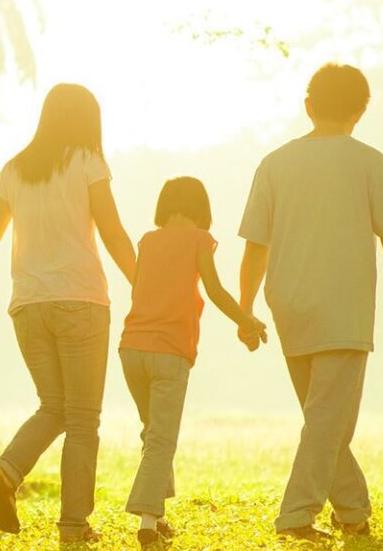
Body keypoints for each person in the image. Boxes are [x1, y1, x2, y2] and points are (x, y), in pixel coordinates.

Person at [0, 83, 138, 543]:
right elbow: (113, 230)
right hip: (80, 301)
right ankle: (74, 527)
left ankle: (5, 472)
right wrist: (145, 285)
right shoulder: (87, 161)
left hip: (27, 306)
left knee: (53, 408)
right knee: (81, 420)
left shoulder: (14, 169)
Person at [237, 63, 383, 541]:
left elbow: (255, 246)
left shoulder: (274, 164)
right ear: (361, 112)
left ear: (308, 107)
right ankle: (296, 517)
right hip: (343, 306)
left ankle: (352, 511)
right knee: (328, 420)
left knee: (323, 420)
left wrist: (245, 308)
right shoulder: (369, 162)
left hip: (289, 305)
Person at [118, 176, 267, 548]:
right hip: (169, 352)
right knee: (162, 439)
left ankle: (158, 515)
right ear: (203, 209)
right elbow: (214, 289)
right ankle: (147, 524)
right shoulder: (200, 240)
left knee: (153, 430)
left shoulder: (148, 241)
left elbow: (141, 288)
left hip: (131, 349)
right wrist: (245, 319)